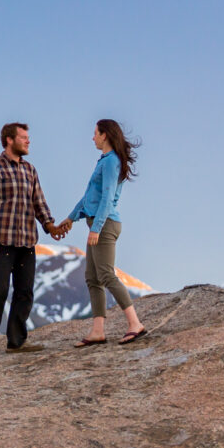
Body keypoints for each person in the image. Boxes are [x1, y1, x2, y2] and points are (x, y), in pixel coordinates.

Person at [0, 122, 68, 361]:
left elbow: (39, 203)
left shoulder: (30, 170)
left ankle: (16, 342)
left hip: (27, 243)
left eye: (28, 137)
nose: (28, 141)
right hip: (1, 241)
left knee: (25, 293)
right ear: (9, 140)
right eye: (23, 137)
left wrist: (51, 226)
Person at [57, 119, 147, 347]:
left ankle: (135, 324)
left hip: (105, 225)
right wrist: (71, 217)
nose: (92, 137)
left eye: (95, 133)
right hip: (98, 223)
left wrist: (96, 228)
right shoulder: (105, 161)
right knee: (93, 278)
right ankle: (98, 331)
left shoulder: (110, 162)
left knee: (106, 274)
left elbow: (106, 198)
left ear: (104, 135)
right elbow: (90, 197)